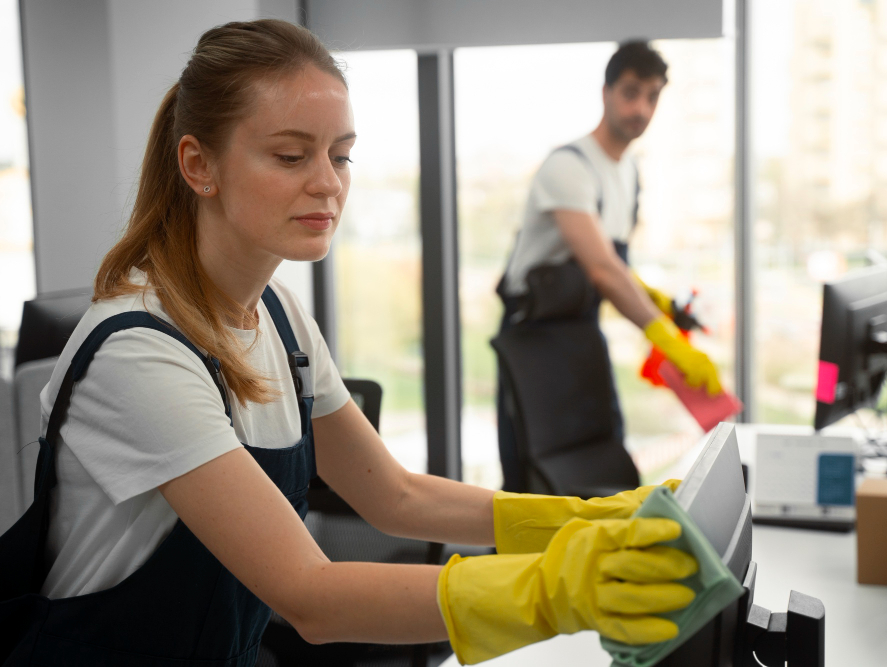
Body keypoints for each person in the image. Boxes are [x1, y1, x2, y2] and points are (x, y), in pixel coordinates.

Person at [0, 20, 703, 666]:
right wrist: (552, 591)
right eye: (290, 155)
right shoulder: (140, 352)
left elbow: (393, 495)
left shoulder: (278, 317)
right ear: (198, 165)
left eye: (341, 156)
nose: (327, 184)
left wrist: (574, 518)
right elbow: (310, 595)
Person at [495, 41, 722, 492]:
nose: (641, 107)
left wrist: (656, 302)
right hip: (533, 340)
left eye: (653, 96)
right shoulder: (569, 166)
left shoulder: (629, 173)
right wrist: (665, 337)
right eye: (631, 91)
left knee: (603, 460)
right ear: (606, 92)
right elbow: (600, 268)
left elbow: (614, 262)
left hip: (581, 331)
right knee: (532, 482)